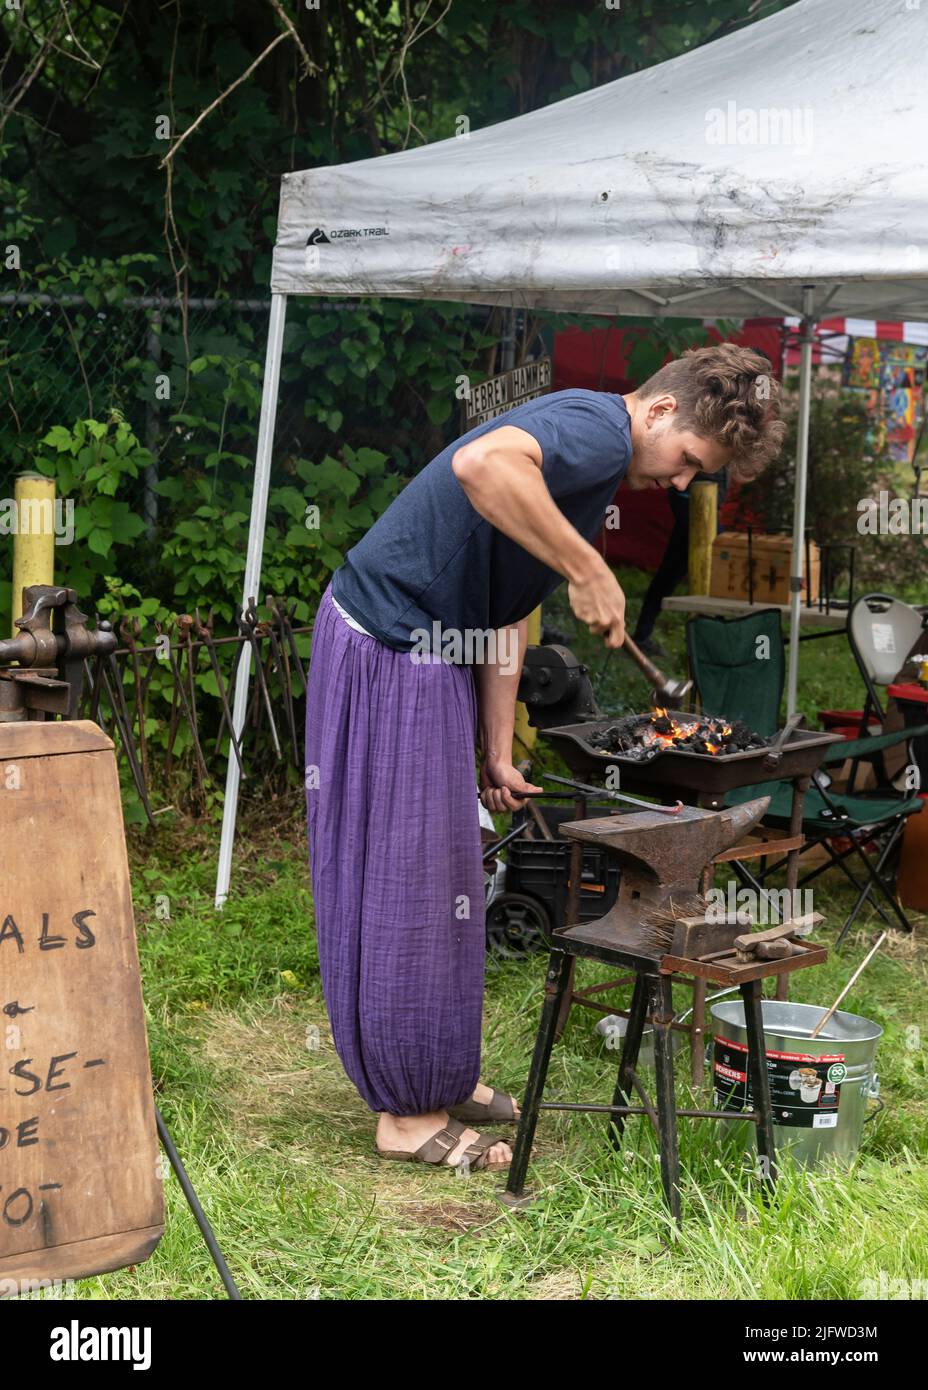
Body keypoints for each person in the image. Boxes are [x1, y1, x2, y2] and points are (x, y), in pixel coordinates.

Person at [304, 343, 785, 1172]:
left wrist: (496, 744)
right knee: (409, 877)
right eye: (688, 464)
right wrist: (588, 565)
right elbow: (480, 464)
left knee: (448, 873)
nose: (678, 483)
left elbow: (501, 607)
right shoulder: (596, 429)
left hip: (435, 652)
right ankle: (405, 1115)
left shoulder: (593, 465)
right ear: (663, 412)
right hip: (388, 646)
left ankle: (437, 1076)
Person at [632, 466, 730, 658]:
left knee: (670, 572)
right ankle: (715, 643)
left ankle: (641, 636)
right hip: (693, 500)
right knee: (679, 571)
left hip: (704, 502)